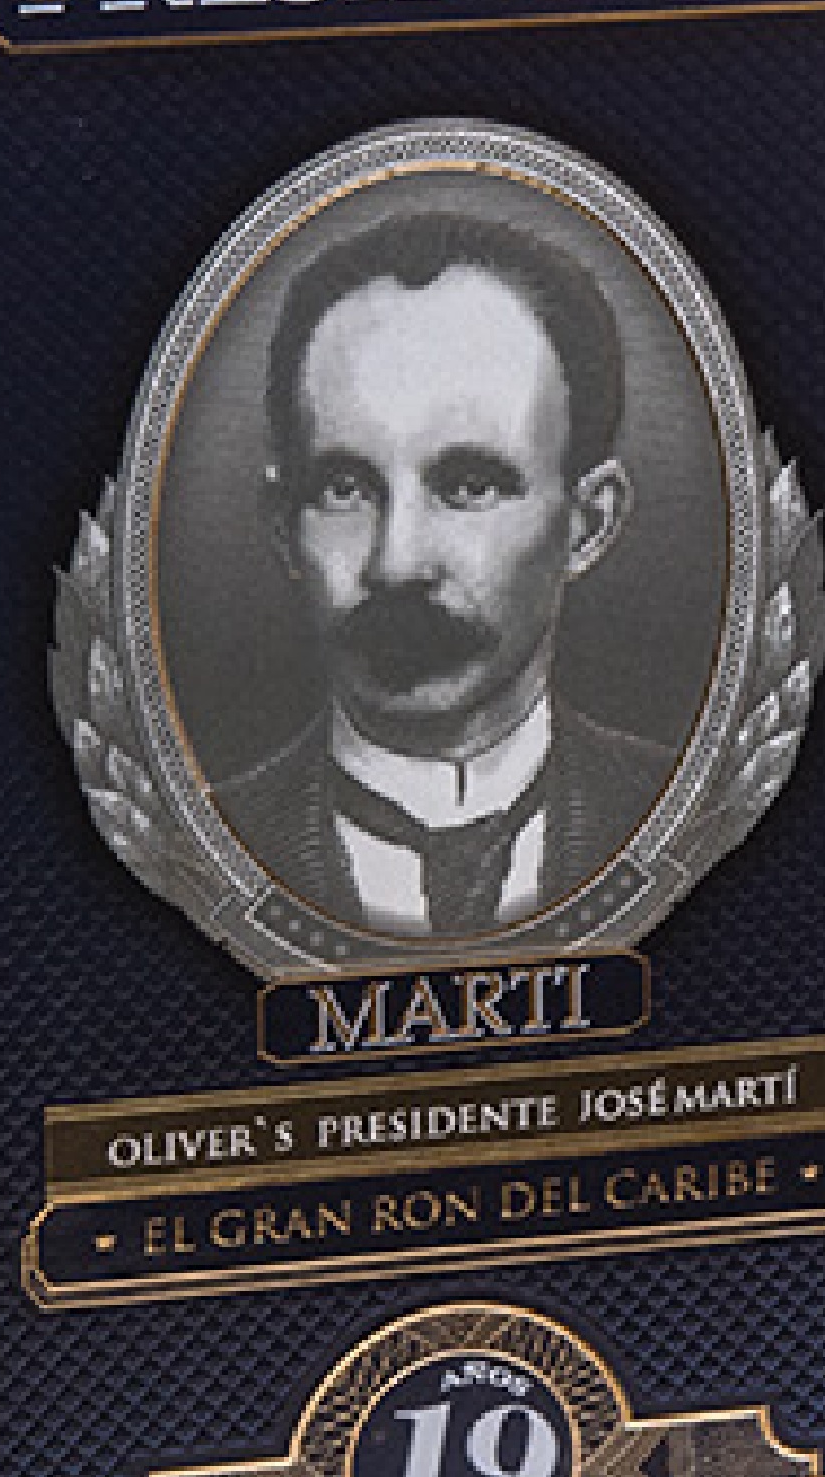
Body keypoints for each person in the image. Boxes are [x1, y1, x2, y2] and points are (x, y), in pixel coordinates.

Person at [216, 204, 673, 939]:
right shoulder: (199, 844)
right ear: (283, 527)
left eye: (469, 486)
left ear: (588, 524)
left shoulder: (686, 814)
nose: (396, 562)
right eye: (344, 489)